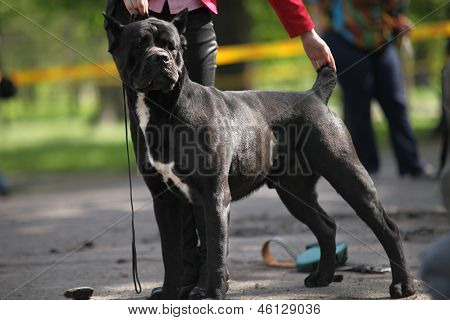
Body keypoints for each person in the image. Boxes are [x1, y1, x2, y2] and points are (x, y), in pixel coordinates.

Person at [105, 0, 336, 299]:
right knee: (161, 179)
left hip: (192, 18)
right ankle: (181, 277)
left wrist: (305, 30)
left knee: (207, 173)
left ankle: (211, 275)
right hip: (131, 21)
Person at [309, 0, 433, 178]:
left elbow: (394, 7)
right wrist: (316, 36)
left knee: (397, 103)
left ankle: (411, 164)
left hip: (383, 41)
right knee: (358, 106)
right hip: (344, 38)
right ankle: (365, 169)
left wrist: (398, 21)